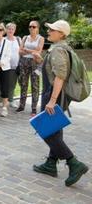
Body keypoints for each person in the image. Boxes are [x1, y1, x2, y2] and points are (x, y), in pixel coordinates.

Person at [32, 20, 88, 187]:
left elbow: (60, 76)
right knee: (54, 129)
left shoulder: (58, 49)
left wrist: (52, 100)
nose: (49, 31)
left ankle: (74, 163)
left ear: (62, 34)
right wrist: (41, 60)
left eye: (53, 29)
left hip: (54, 93)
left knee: (45, 130)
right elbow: (54, 71)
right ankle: (51, 163)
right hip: (58, 93)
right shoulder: (63, 48)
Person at [17, 20, 45, 116]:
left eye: (34, 27)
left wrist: (27, 50)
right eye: (30, 26)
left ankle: (33, 108)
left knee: (35, 85)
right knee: (23, 84)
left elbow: (38, 52)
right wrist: (31, 51)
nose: (31, 28)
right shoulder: (25, 38)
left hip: (35, 63)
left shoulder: (40, 38)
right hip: (24, 62)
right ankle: (21, 105)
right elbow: (20, 51)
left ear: (37, 28)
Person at [5, 22, 21, 108]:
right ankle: (1, 100)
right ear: (6, 30)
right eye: (9, 29)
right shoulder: (3, 39)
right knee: (3, 83)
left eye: (12, 29)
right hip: (4, 66)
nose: (10, 30)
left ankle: (10, 100)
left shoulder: (18, 40)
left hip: (15, 65)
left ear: (14, 30)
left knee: (12, 84)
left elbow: (21, 51)